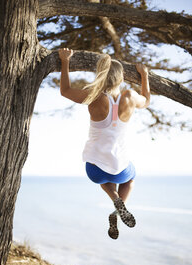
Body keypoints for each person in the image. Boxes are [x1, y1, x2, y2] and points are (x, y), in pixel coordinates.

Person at [58, 48, 150, 240]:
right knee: (130, 180)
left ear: (100, 75)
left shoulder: (93, 95)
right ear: (121, 77)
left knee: (105, 178)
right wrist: (144, 75)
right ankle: (117, 209)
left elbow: (65, 91)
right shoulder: (130, 97)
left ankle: (115, 199)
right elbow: (147, 101)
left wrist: (65, 61)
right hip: (121, 167)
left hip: (95, 170)